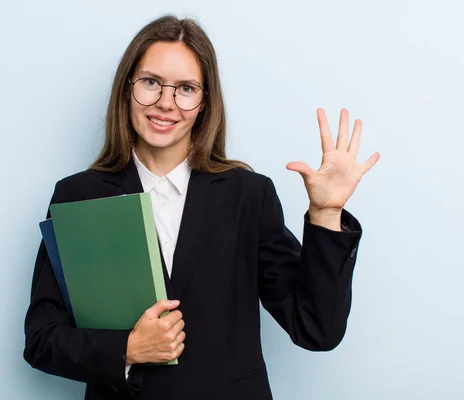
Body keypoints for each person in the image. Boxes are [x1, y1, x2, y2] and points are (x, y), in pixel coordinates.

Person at [23, 14, 380, 400]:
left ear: (205, 101)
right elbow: (42, 338)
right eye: (150, 83)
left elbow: (316, 329)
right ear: (127, 88)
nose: (165, 103)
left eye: (186, 88)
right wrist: (126, 349)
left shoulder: (248, 195)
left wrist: (326, 214)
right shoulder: (79, 195)